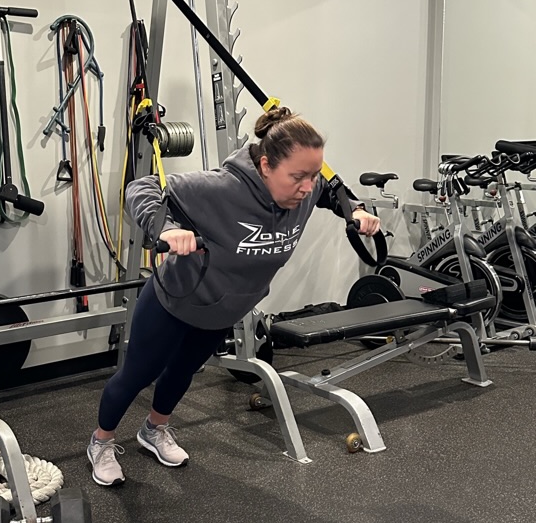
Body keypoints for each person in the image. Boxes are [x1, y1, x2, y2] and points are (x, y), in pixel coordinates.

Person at [87, 105, 380, 486]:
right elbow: (140, 189)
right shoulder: (219, 188)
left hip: (225, 308)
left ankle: (154, 430)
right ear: (264, 167)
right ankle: (101, 441)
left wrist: (354, 210)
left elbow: (331, 189)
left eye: (311, 175)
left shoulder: (306, 189)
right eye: (297, 177)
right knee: (137, 376)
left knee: (183, 372)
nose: (307, 187)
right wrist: (166, 227)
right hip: (174, 301)